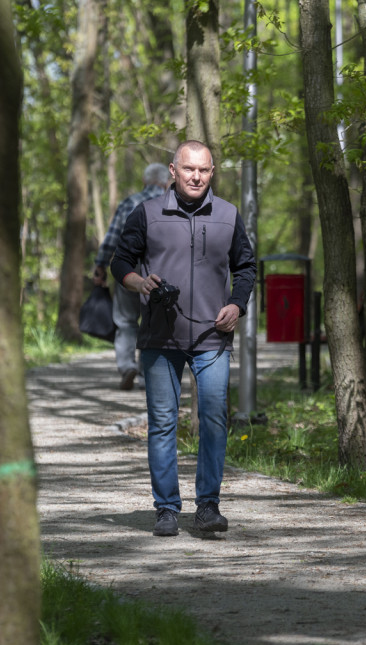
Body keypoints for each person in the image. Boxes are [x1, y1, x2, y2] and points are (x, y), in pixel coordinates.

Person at [110, 140, 256, 537]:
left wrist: (237, 305)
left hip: (213, 335)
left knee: (212, 419)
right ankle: (166, 509)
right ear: (173, 171)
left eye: (204, 170)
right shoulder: (148, 213)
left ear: (212, 172)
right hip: (160, 336)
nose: (196, 176)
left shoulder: (228, 215)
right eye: (189, 169)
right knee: (161, 423)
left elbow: (246, 266)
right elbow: (120, 261)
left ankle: (208, 507)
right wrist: (138, 281)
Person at [93, 162, 171, 390]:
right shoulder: (171, 204)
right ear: (166, 182)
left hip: (129, 268)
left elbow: (112, 237)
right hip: (160, 269)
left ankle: (127, 366)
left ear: (145, 181)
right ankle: (148, 376)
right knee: (153, 320)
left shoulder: (129, 202)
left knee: (126, 321)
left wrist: (100, 265)